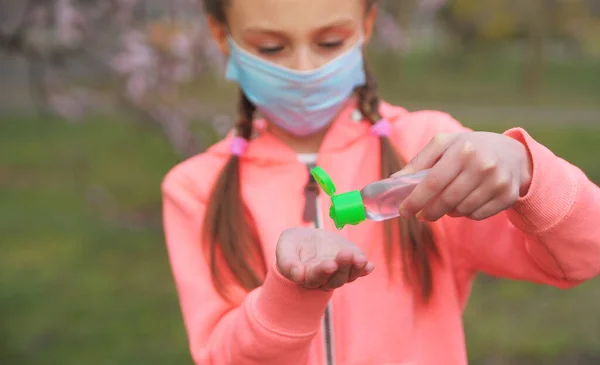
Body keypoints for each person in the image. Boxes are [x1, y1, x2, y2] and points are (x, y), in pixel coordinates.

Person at [160, 0, 600, 364]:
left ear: (366, 26)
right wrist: (288, 295)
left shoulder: (428, 148)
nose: (303, 68)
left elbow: (582, 255)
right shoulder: (194, 188)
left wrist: (528, 171)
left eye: (330, 42)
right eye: (271, 48)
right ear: (223, 38)